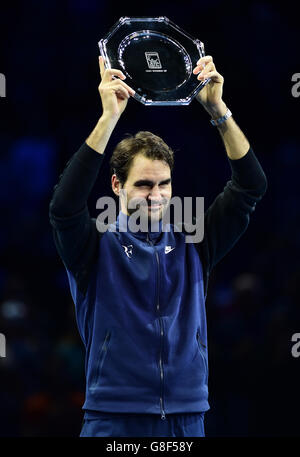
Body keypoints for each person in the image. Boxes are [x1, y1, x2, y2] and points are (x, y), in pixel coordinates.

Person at [49, 55, 267, 437]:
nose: (157, 195)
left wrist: (218, 109)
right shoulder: (94, 246)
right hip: (114, 420)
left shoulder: (194, 242)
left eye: (164, 184)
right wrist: (109, 118)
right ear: (117, 186)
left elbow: (251, 185)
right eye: (144, 185)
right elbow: (64, 208)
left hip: (189, 418)